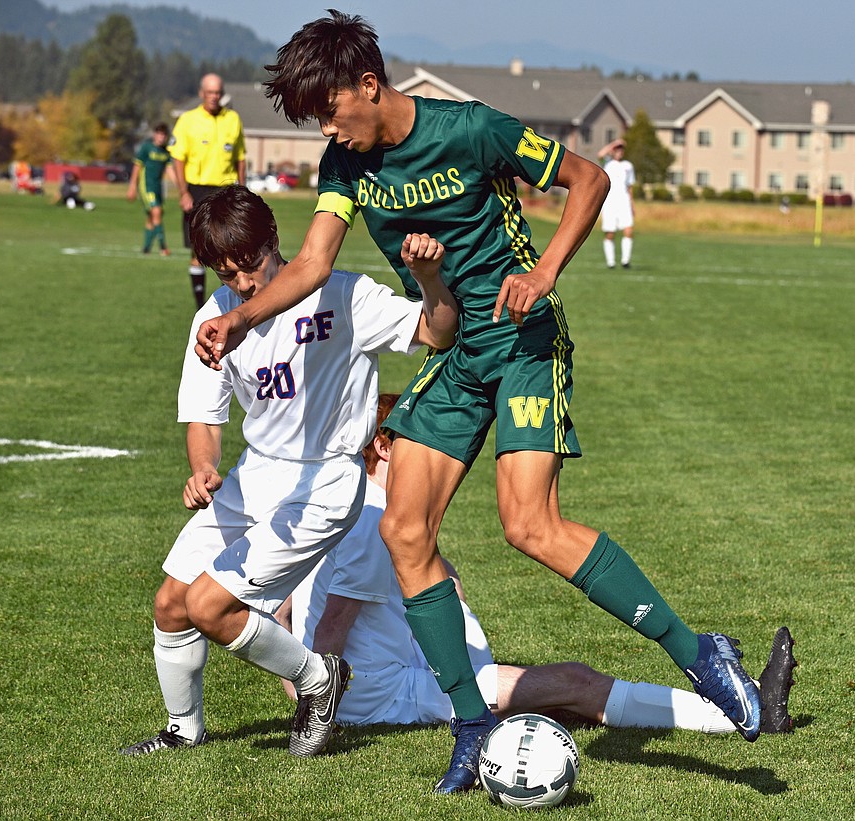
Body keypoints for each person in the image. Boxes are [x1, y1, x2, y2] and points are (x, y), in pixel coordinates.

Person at [194, 11, 779, 794]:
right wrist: (241, 317)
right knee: (404, 530)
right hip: (456, 354)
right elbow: (309, 263)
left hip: (525, 341)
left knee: (528, 525)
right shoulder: (345, 166)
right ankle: (472, 726)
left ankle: (703, 652)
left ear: (369, 84)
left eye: (330, 109)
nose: (327, 128)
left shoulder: (470, 128)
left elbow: (588, 179)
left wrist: (544, 274)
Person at [120, 185, 458, 758]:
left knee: (210, 606)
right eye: (227, 275)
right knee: (172, 604)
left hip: (325, 482)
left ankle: (317, 679)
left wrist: (429, 280)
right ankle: (184, 729)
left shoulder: (343, 294)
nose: (243, 284)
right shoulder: (214, 315)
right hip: (255, 477)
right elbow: (204, 415)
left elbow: (439, 331)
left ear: (274, 242)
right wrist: (203, 468)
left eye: (249, 265)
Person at [277, 393, 798, 735]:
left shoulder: (347, 507)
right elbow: (333, 625)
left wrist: (297, 688)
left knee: (541, 690)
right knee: (572, 680)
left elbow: (283, 611)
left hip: (391, 674)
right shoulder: (372, 522)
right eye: (420, 444)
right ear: (385, 448)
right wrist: (318, 715)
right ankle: (737, 714)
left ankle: (732, 702)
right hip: (383, 693)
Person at [170, 73, 247, 308]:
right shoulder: (187, 120)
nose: (214, 97)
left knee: (232, 248)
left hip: (225, 190)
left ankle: (234, 301)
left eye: (218, 93)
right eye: (210, 92)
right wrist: (183, 192)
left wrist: (243, 190)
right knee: (198, 251)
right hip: (196, 191)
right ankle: (199, 304)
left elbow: (240, 158)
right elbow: (178, 159)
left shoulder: (232, 119)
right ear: (202, 93)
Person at [128, 123, 175, 256]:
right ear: (155, 134)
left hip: (158, 188)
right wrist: (132, 186)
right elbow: (137, 167)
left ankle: (146, 248)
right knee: (157, 212)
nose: (161, 137)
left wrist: (182, 188)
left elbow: (170, 170)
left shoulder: (166, 152)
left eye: (164, 135)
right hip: (146, 186)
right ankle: (163, 247)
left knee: (152, 217)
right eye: (159, 134)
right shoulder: (146, 147)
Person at [597, 138, 636, 268]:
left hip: (624, 201)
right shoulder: (607, 163)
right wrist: (614, 144)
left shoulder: (628, 166)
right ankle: (611, 261)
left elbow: (630, 186)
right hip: (610, 202)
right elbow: (600, 155)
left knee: (629, 231)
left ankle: (626, 260)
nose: (619, 151)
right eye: (617, 149)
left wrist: (632, 204)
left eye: (621, 149)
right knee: (610, 233)